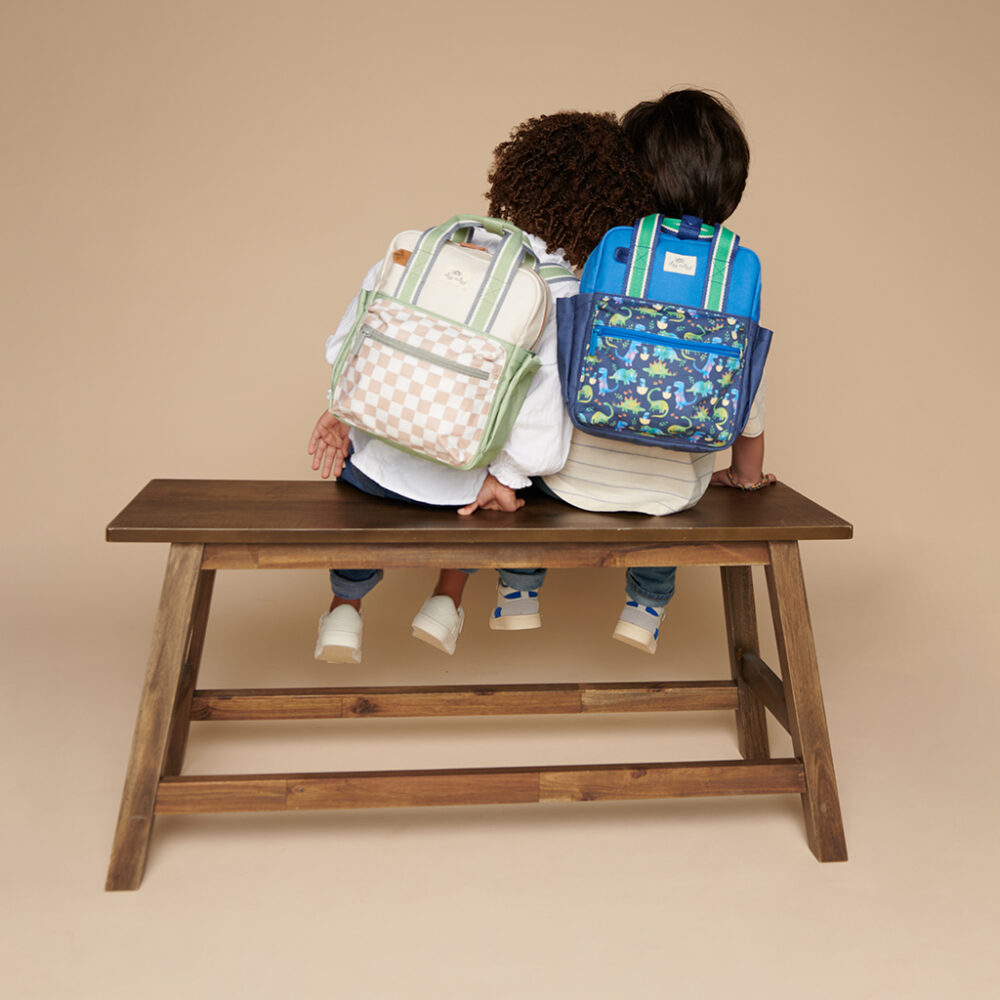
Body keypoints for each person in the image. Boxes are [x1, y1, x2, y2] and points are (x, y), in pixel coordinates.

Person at [308, 112, 655, 663]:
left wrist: (341, 411)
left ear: (516, 175)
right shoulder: (559, 290)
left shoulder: (426, 246)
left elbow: (349, 340)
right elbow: (542, 421)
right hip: (460, 489)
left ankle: (344, 609)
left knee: (367, 484)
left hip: (372, 467)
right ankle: (447, 598)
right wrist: (507, 478)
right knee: (502, 489)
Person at [496, 89, 775, 654]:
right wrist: (744, 478)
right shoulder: (735, 272)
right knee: (670, 505)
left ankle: (519, 588)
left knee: (541, 476)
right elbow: (748, 403)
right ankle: (645, 608)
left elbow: (558, 364)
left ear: (634, 176)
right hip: (673, 491)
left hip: (573, 480)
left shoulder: (614, 247)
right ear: (732, 184)